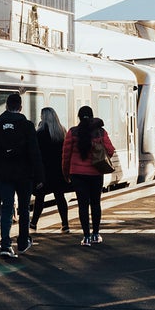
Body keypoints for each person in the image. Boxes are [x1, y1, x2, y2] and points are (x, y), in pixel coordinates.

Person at [0, 92, 42, 257]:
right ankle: (23, 241)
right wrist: (40, 176)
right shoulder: (27, 125)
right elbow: (35, 152)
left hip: (3, 174)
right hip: (24, 174)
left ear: (6, 106)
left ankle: (5, 244)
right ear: (20, 107)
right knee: (24, 208)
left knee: (6, 207)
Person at [62, 105, 117, 246]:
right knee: (95, 204)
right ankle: (95, 234)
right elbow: (110, 150)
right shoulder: (100, 132)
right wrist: (100, 155)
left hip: (77, 174)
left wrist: (66, 172)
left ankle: (86, 237)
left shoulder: (72, 132)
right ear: (92, 116)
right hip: (95, 173)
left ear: (79, 117)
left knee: (82, 205)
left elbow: (66, 155)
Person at [29, 106, 71, 237]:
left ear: (44, 117)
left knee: (40, 198)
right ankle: (65, 224)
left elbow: (37, 154)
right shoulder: (61, 132)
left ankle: (34, 223)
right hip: (58, 171)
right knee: (60, 197)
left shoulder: (39, 134)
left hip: (44, 171)